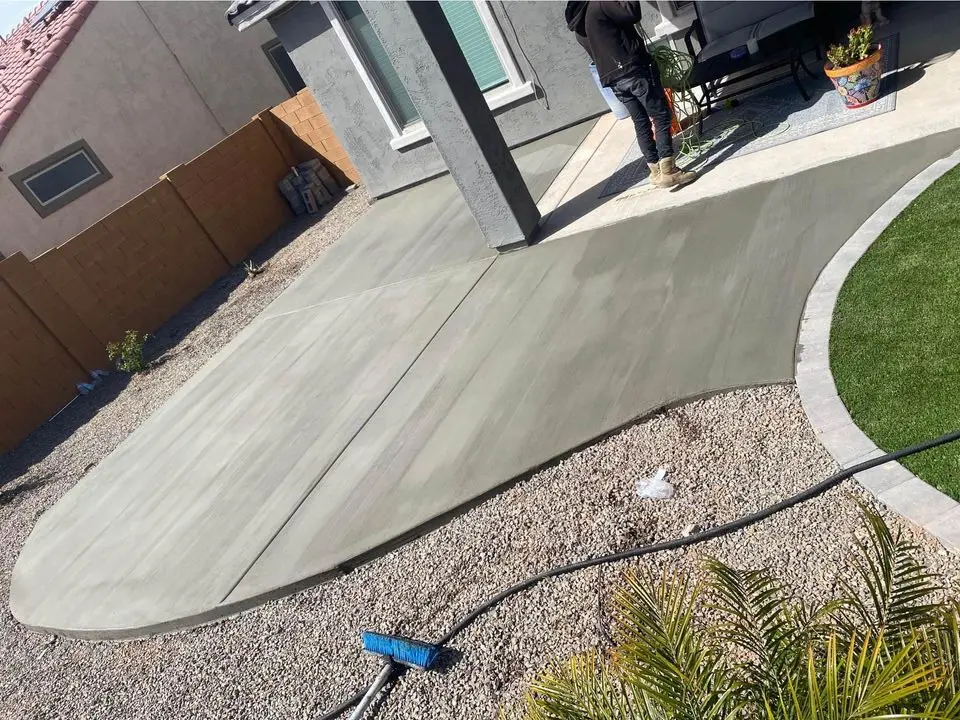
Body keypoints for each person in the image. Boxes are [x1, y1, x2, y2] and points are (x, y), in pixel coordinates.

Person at [565, 1, 696, 189]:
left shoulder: (578, 21)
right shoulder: (599, 4)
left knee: (640, 121)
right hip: (633, 69)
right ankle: (669, 170)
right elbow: (632, 13)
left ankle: (655, 170)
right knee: (660, 115)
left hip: (613, 78)